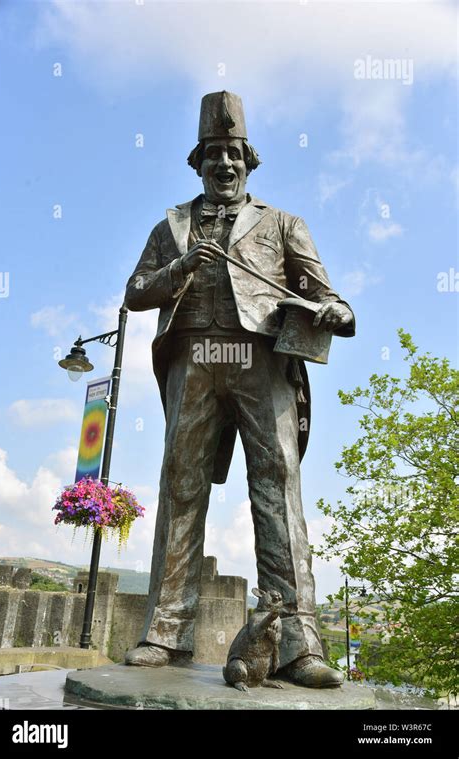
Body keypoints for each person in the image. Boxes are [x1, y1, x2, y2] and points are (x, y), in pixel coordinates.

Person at [124, 91, 355, 687]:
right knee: (181, 485)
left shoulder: (283, 223)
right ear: (198, 163)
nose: (223, 164)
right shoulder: (170, 225)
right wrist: (179, 271)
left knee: (276, 487)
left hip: (261, 362)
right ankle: (165, 632)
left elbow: (324, 293)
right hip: (193, 359)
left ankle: (298, 645)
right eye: (212, 155)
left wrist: (335, 310)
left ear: (248, 163)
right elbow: (135, 292)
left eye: (233, 154)